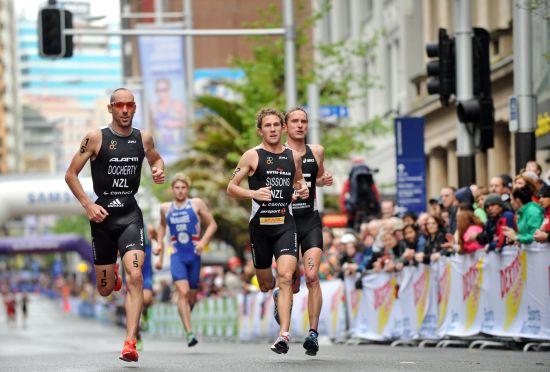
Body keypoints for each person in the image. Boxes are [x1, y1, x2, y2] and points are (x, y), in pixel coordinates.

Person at [65, 87, 165, 362]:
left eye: (129, 105)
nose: (124, 110)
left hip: (131, 216)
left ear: (134, 108)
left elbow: (156, 159)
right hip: (103, 217)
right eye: (119, 105)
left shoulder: (143, 138)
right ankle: (113, 278)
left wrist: (158, 169)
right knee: (106, 289)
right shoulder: (95, 138)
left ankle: (130, 342)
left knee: (136, 277)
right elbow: (70, 174)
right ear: (110, 109)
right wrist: (88, 205)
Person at [226, 108, 308, 354]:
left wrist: (302, 189)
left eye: (276, 125)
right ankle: (274, 298)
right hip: (260, 227)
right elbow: (231, 187)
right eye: (267, 126)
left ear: (283, 128)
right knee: (265, 284)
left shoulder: (292, 156)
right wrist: (253, 193)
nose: (272, 129)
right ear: (260, 131)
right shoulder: (251, 156)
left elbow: (299, 180)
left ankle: (283, 334)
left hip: (285, 224)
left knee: (285, 278)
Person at [282, 107, 333, 356]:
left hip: (310, 220)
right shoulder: (278, 154)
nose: (300, 125)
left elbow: (318, 177)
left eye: (304, 121)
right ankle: (280, 306)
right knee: (290, 283)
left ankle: (313, 334)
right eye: (295, 121)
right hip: (286, 223)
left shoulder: (317, 151)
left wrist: (325, 180)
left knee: (312, 277)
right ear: (285, 126)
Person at [156, 172, 218, 347]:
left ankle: (186, 313)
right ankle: (189, 333)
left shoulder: (196, 203)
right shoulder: (165, 208)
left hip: (194, 253)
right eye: (177, 188)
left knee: (191, 296)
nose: (180, 191)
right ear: (172, 189)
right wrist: (159, 244)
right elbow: (162, 226)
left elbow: (212, 224)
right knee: (182, 293)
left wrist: (203, 242)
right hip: (177, 254)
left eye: (183, 188)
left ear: (187, 189)